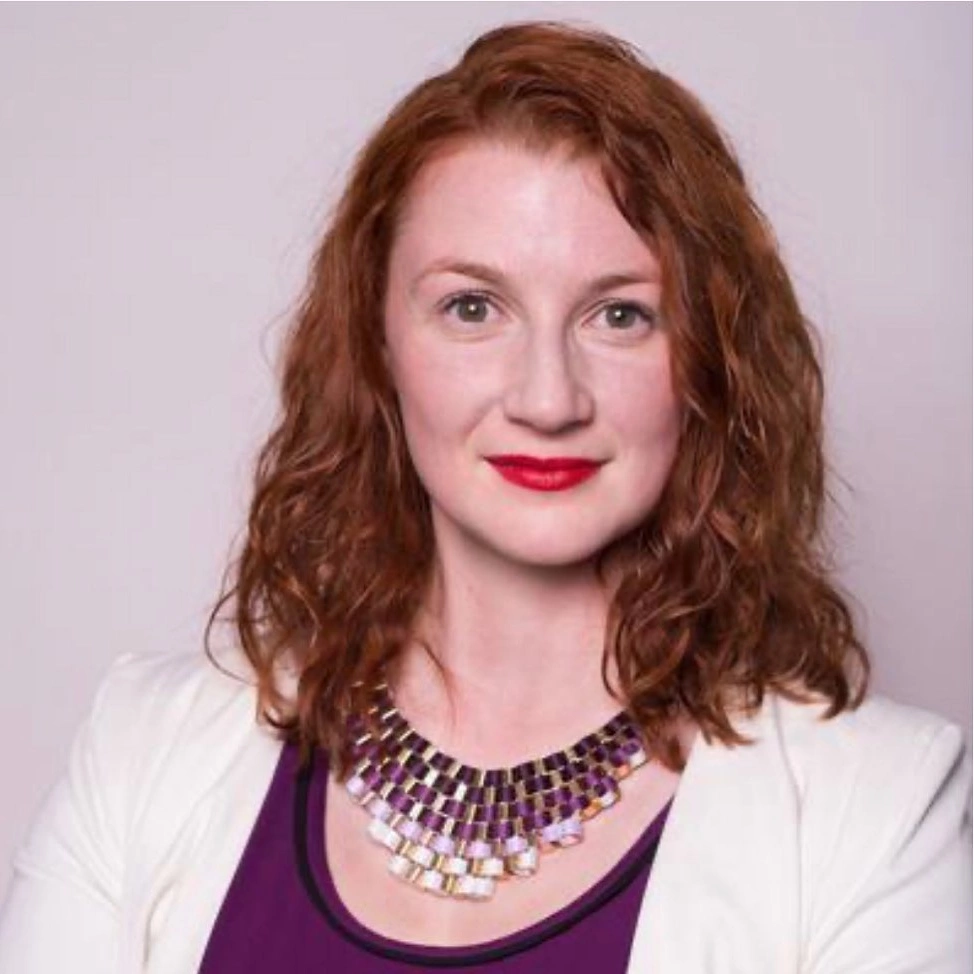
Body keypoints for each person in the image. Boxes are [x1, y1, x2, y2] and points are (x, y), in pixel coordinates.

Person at [0, 20, 969, 974]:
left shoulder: (877, 811)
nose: (547, 398)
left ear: (707, 361)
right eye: (472, 307)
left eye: (620, 314)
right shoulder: (141, 751)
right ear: (377, 345)